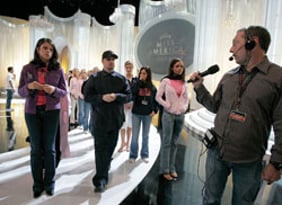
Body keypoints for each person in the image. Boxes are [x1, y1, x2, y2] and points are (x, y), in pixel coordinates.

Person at [190, 26, 282, 205]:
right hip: (217, 153)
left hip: (249, 160)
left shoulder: (277, 78)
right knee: (210, 199)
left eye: (235, 44)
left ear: (251, 42)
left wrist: (276, 163)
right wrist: (199, 87)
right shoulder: (229, 76)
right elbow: (215, 106)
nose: (231, 49)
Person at [18, 38, 67, 198]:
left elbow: (64, 92)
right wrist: (29, 86)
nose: (48, 52)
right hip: (32, 112)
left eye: (51, 49)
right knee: (35, 149)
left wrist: (53, 89)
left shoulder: (57, 69)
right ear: (38, 49)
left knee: (50, 149)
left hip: (51, 112)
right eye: (45, 48)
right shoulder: (27, 68)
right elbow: (21, 91)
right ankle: (37, 184)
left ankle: (49, 182)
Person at [82, 50, 131, 193]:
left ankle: (105, 165)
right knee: (100, 149)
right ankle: (100, 180)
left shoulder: (121, 79)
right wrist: (101, 98)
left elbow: (128, 96)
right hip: (99, 120)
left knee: (110, 148)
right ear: (103, 61)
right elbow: (87, 96)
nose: (111, 61)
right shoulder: (94, 78)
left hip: (115, 120)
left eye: (113, 59)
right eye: (108, 59)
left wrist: (116, 96)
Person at [155, 58, 189, 180]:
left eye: (181, 66)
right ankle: (164, 170)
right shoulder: (166, 81)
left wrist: (184, 108)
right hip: (168, 115)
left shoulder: (184, 83)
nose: (180, 68)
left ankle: (172, 168)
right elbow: (158, 97)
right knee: (167, 142)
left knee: (175, 143)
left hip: (180, 115)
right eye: (177, 66)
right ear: (172, 68)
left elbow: (186, 98)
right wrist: (167, 105)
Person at [129, 66, 158, 163]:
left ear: (148, 74)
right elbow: (132, 93)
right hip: (136, 113)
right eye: (141, 73)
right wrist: (139, 82)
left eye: (144, 73)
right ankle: (133, 155)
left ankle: (144, 154)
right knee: (135, 136)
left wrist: (155, 110)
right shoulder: (136, 84)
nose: (142, 75)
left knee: (145, 136)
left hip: (147, 114)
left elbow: (155, 100)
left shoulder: (152, 87)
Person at [118, 60, 138, 152]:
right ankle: (122, 143)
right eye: (127, 67)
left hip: (132, 106)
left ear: (132, 68)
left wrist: (132, 103)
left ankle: (128, 144)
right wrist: (124, 102)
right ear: (125, 68)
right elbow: (120, 92)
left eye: (130, 67)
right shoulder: (122, 79)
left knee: (130, 125)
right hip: (123, 106)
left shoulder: (135, 80)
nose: (129, 69)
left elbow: (136, 93)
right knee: (122, 125)